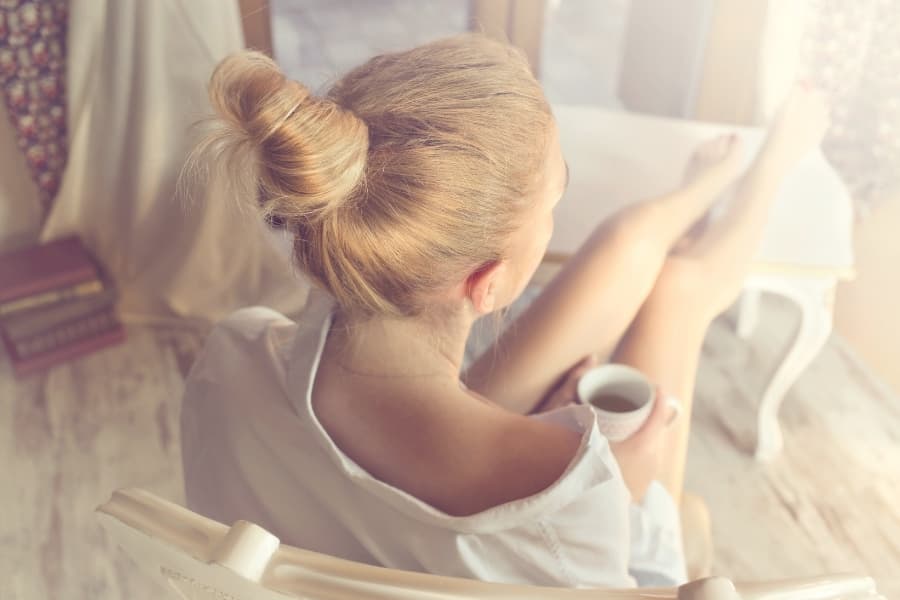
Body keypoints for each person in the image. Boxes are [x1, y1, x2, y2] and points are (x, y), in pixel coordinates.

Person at [180, 35, 829, 588]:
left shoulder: (231, 356)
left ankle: (707, 188)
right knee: (678, 293)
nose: (551, 217)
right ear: (486, 285)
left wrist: (544, 447)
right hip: (591, 564)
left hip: (394, 529)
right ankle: (762, 174)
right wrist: (627, 494)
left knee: (633, 251)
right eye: (552, 203)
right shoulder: (572, 494)